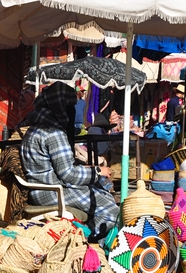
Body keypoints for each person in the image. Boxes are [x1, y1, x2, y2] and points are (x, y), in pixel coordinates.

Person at [20, 83, 120, 241]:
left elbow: (57, 166)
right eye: (70, 106)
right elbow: (68, 174)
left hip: (40, 189)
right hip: (53, 193)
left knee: (102, 190)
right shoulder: (53, 133)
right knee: (111, 211)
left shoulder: (35, 128)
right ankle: (82, 240)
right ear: (60, 106)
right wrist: (98, 172)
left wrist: (89, 170)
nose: (73, 111)